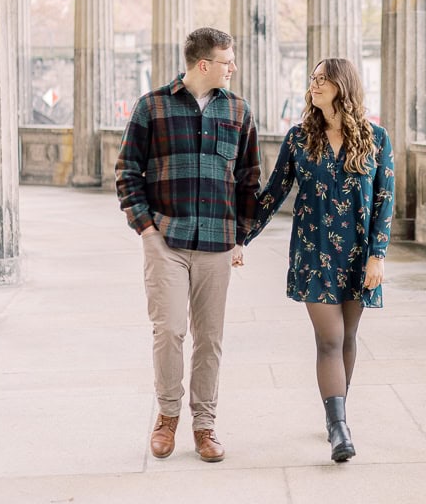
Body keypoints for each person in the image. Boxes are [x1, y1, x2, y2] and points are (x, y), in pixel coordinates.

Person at [115, 27, 260, 463]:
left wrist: (241, 236)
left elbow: (249, 179)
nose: (233, 67)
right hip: (167, 241)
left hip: (217, 243)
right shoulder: (152, 106)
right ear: (203, 64)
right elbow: (127, 172)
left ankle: (205, 425)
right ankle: (167, 417)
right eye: (226, 60)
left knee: (210, 338)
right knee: (169, 331)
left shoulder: (238, 110)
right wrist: (146, 229)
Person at [244, 57, 395, 463]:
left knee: (347, 337)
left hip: (358, 257)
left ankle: (337, 411)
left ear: (342, 86)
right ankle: (339, 430)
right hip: (314, 255)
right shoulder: (299, 139)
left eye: (323, 79)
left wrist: (378, 257)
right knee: (328, 339)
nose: (314, 85)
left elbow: (385, 200)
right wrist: (241, 238)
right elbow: (273, 195)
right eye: (312, 79)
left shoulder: (376, 138)